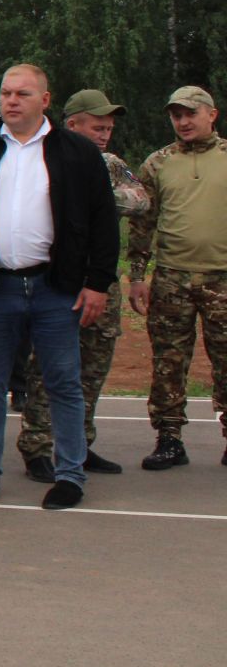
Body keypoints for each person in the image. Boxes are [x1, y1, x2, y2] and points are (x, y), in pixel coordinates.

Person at [0, 65, 118, 511]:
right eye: (5, 93)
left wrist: (97, 284)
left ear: (45, 99)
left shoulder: (76, 152)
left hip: (56, 286)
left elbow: (103, 223)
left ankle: (70, 475)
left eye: (22, 93)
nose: (11, 101)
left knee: (63, 383)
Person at [12, 90, 144, 478]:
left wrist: (96, 196)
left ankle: (80, 444)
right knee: (47, 367)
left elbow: (141, 199)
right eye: (97, 126)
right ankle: (36, 445)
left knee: (93, 364)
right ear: (73, 124)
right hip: (57, 276)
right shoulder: (43, 156)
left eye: (108, 128)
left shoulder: (110, 163)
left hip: (101, 278)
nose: (105, 134)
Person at [126, 85, 227, 471]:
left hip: (222, 279)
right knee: (168, 362)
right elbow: (142, 224)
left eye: (190, 113)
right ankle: (169, 439)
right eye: (176, 115)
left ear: (211, 115)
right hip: (172, 279)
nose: (183, 122)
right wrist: (137, 276)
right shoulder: (159, 162)